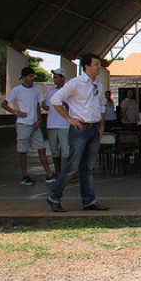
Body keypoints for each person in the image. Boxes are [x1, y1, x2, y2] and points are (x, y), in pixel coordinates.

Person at [46, 54, 109, 212]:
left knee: (88, 167)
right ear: (86, 66)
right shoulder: (76, 83)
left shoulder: (98, 85)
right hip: (80, 128)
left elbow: (102, 106)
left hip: (93, 128)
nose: (98, 67)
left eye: (99, 64)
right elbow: (55, 100)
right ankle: (54, 195)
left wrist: (101, 126)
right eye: (96, 64)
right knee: (72, 165)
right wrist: (69, 118)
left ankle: (89, 201)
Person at [2, 66, 54, 185]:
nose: (32, 79)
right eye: (30, 76)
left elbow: (37, 105)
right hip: (23, 124)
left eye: (33, 76)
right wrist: (16, 112)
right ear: (24, 78)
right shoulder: (17, 90)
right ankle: (25, 175)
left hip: (34, 123)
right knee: (23, 150)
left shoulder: (37, 88)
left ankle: (49, 174)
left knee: (41, 148)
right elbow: (4, 104)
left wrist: (39, 119)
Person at [43, 68, 70, 175]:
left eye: (57, 77)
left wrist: (65, 104)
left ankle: (68, 172)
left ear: (62, 78)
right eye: (54, 77)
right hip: (52, 123)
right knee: (54, 150)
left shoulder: (68, 91)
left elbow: (72, 107)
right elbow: (48, 106)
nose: (54, 79)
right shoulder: (51, 91)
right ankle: (58, 171)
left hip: (64, 124)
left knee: (66, 150)